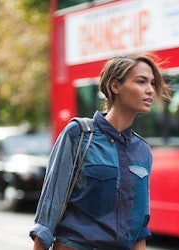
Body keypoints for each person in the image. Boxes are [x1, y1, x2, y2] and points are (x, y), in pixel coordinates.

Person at [29, 53, 171, 250]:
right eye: (141, 82)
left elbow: (140, 227)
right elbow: (48, 211)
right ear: (115, 86)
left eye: (152, 83)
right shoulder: (78, 135)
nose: (150, 90)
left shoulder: (142, 150)